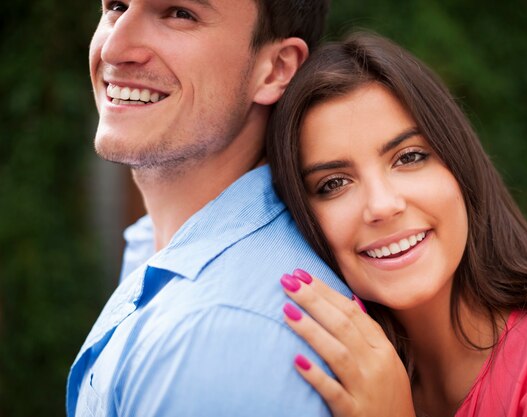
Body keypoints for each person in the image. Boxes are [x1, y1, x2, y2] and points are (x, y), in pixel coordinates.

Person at [267, 32, 527, 417]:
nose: (382, 206)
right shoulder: (333, 384)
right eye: (333, 184)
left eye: (409, 157)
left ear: (458, 164)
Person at [67, 1, 356, 416]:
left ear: (275, 69)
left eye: (179, 13)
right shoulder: (155, 243)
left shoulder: (222, 339)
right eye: (116, 6)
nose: (114, 49)